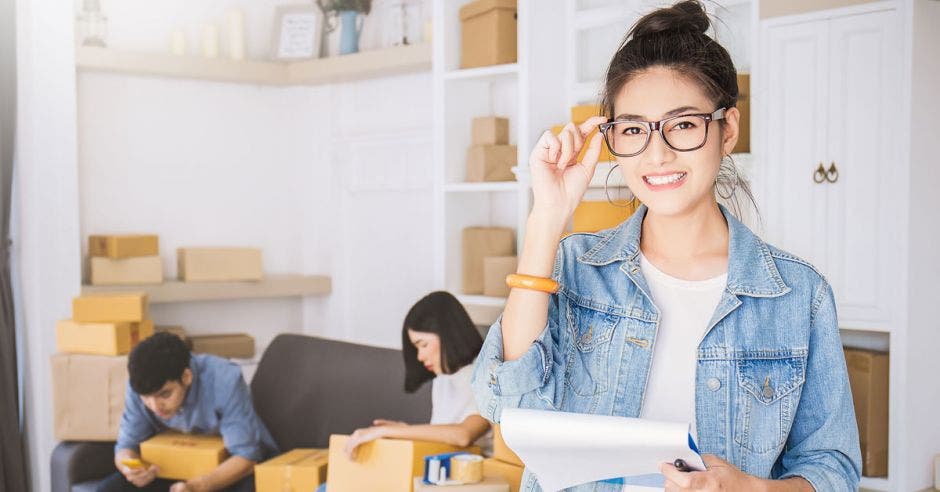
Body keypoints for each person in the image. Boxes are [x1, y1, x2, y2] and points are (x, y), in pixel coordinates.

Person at [470, 2, 862, 491]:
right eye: (633, 129)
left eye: (682, 124)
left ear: (728, 129)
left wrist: (754, 489)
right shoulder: (571, 267)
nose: (657, 154)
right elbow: (504, 404)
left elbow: (833, 469)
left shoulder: (798, 295)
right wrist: (547, 217)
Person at [99, 332, 278, 492]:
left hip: (230, 469)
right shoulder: (138, 387)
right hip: (175, 468)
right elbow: (125, 447)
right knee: (109, 489)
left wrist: (197, 486)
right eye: (146, 398)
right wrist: (131, 467)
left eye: (165, 394)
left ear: (186, 377)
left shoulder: (224, 379)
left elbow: (246, 457)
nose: (155, 406)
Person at [344, 291, 492, 459]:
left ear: (448, 336)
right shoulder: (443, 380)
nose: (420, 357)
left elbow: (463, 435)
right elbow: (443, 436)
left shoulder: (483, 376)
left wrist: (392, 431)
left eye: (423, 345)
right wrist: (404, 430)